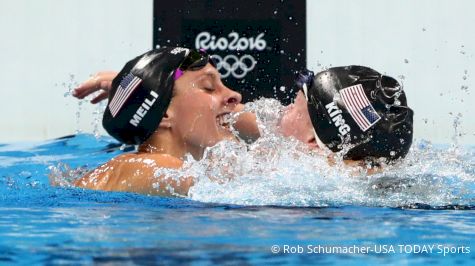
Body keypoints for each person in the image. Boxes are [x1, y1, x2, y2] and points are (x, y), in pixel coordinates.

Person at [74, 64, 413, 166]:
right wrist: (141, 86)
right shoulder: (292, 149)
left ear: (312, 141)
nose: (278, 109)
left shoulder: (289, 173)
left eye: (294, 105)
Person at [73, 47, 242, 196]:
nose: (236, 95)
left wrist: (139, 90)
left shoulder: (153, 171)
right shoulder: (150, 167)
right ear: (164, 115)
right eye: (208, 87)